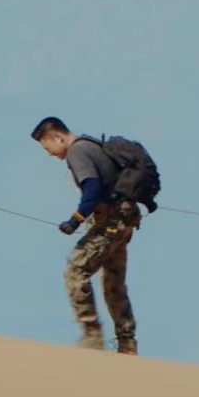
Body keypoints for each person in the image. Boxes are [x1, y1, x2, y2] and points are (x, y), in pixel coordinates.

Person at [32, 116, 140, 355]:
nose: (49, 153)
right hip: (125, 222)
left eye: (47, 147)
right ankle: (127, 343)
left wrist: (75, 220)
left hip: (109, 222)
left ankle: (92, 335)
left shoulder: (78, 151)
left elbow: (91, 188)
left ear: (59, 137)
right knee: (113, 282)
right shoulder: (93, 146)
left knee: (76, 270)